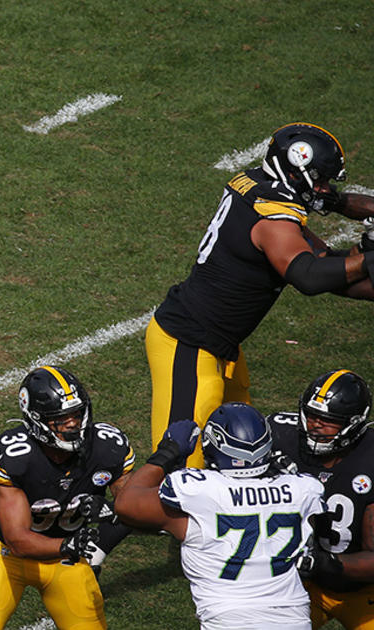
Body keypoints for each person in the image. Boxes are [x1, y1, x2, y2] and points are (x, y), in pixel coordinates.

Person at [147, 122, 374, 468]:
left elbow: (328, 265)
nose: (324, 187)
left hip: (221, 346)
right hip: (189, 343)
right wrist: (367, 259)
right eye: (321, 179)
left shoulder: (259, 184)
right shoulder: (272, 216)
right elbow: (309, 276)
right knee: (179, 469)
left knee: (244, 457)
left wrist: (359, 251)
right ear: (297, 172)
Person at [116, 403, 326, 629]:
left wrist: (167, 452)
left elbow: (127, 503)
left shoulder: (202, 491)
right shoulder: (301, 489)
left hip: (229, 621)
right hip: (293, 620)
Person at [0, 366, 135, 630]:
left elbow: (140, 509)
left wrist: (112, 511)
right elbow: (18, 540)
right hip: (10, 558)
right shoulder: (16, 456)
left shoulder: (106, 447)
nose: (72, 424)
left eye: (77, 414)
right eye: (61, 418)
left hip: (67, 562)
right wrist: (67, 545)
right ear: (37, 420)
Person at [268, 369, 374, 628]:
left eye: (329, 420)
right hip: (298, 583)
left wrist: (323, 562)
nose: (315, 425)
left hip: (364, 589)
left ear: (355, 423)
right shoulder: (281, 436)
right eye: (312, 415)